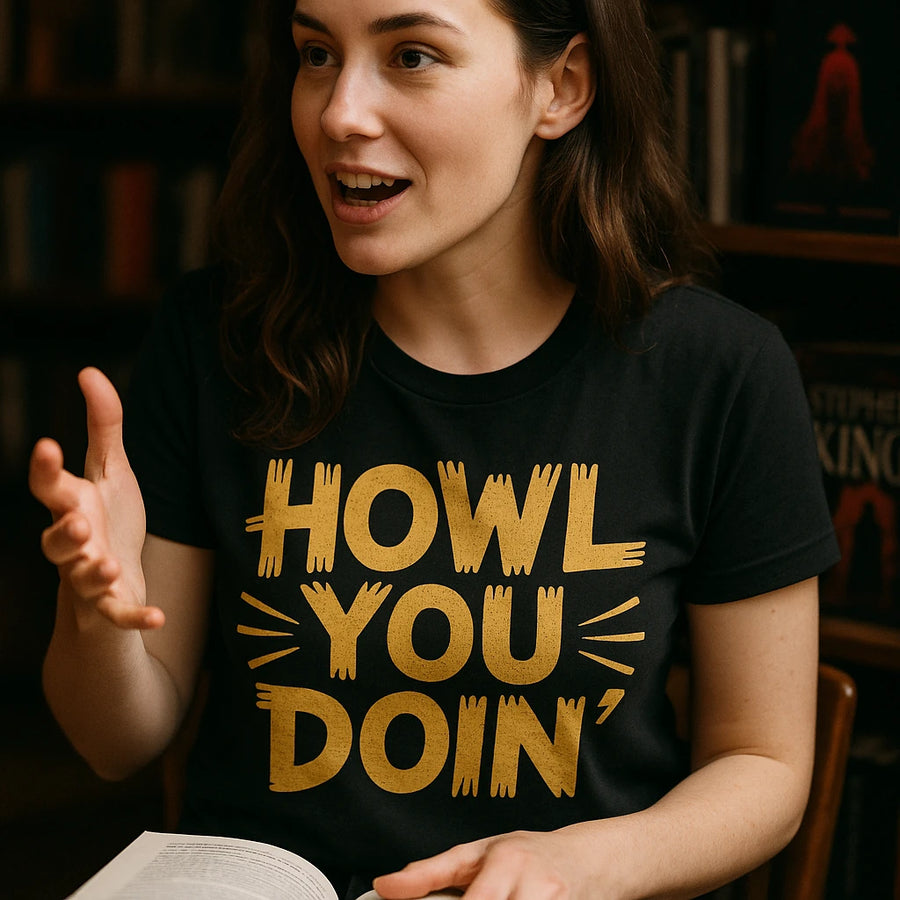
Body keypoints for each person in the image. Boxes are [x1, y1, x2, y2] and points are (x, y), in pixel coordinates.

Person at [29, 1, 840, 898]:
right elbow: (116, 744)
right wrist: (96, 611)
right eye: (316, 55)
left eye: (411, 55)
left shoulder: (717, 373)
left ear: (561, 89)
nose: (340, 112)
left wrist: (578, 864)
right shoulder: (214, 342)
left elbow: (763, 765)